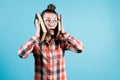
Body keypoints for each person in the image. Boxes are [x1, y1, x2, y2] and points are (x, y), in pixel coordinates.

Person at [18, 4, 84, 80]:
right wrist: (37, 34)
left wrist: (64, 32)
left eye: (55, 21)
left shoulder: (62, 40)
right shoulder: (35, 42)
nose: (52, 24)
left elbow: (80, 48)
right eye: (47, 20)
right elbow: (21, 54)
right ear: (40, 23)